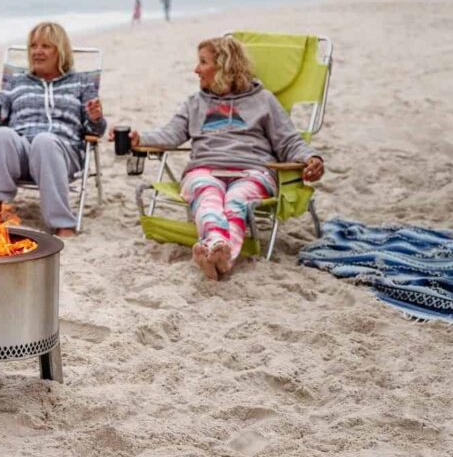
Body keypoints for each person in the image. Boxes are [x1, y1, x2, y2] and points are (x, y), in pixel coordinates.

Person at [131, 36, 323, 280]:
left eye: (203, 62)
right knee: (208, 196)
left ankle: (215, 250)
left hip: (252, 170)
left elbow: (288, 141)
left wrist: (311, 158)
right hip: (204, 170)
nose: (196, 69)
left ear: (224, 66)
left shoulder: (263, 100)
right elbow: (170, 134)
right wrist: (141, 138)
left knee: (236, 200)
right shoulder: (195, 103)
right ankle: (220, 251)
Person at [0, 22, 106, 237]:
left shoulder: (81, 83)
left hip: (63, 151)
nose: (37, 51)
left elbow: (96, 130)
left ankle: (63, 223)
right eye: (33, 46)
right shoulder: (16, 83)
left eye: (46, 46)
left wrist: (96, 118)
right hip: (22, 150)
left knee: (45, 140)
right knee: (2, 135)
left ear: (60, 51)